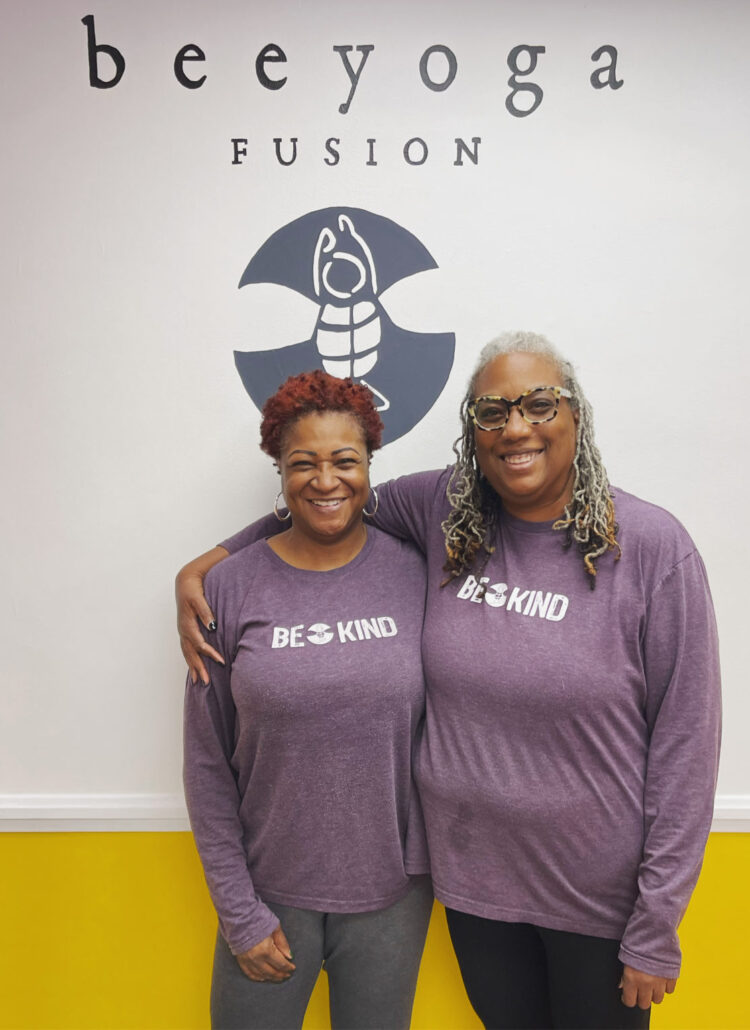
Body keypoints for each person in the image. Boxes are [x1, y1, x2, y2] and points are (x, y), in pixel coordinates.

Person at [178, 332, 721, 1030]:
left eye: (539, 405)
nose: (516, 427)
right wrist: (206, 566)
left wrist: (658, 918)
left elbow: (687, 742)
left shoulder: (649, 546)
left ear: (576, 416)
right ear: (472, 433)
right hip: (476, 894)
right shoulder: (444, 511)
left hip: (597, 903)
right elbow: (329, 502)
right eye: (493, 412)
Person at [183, 370, 432, 1030]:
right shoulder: (230, 588)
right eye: (304, 463)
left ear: (370, 466)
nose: (326, 480)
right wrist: (239, 912)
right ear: (280, 472)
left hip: (392, 898)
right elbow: (209, 765)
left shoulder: (417, 571)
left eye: (345, 460)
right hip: (267, 896)